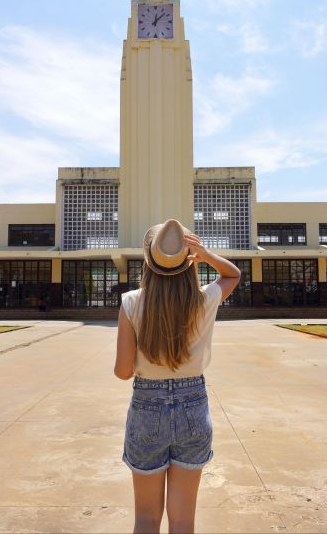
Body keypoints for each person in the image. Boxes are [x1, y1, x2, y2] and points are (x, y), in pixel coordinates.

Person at [114, 218, 241, 533]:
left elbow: (122, 372)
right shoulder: (204, 299)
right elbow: (233, 275)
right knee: (184, 521)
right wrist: (206, 255)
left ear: (148, 262)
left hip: (146, 407)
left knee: (146, 520)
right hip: (194, 409)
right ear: (189, 261)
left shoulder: (131, 302)